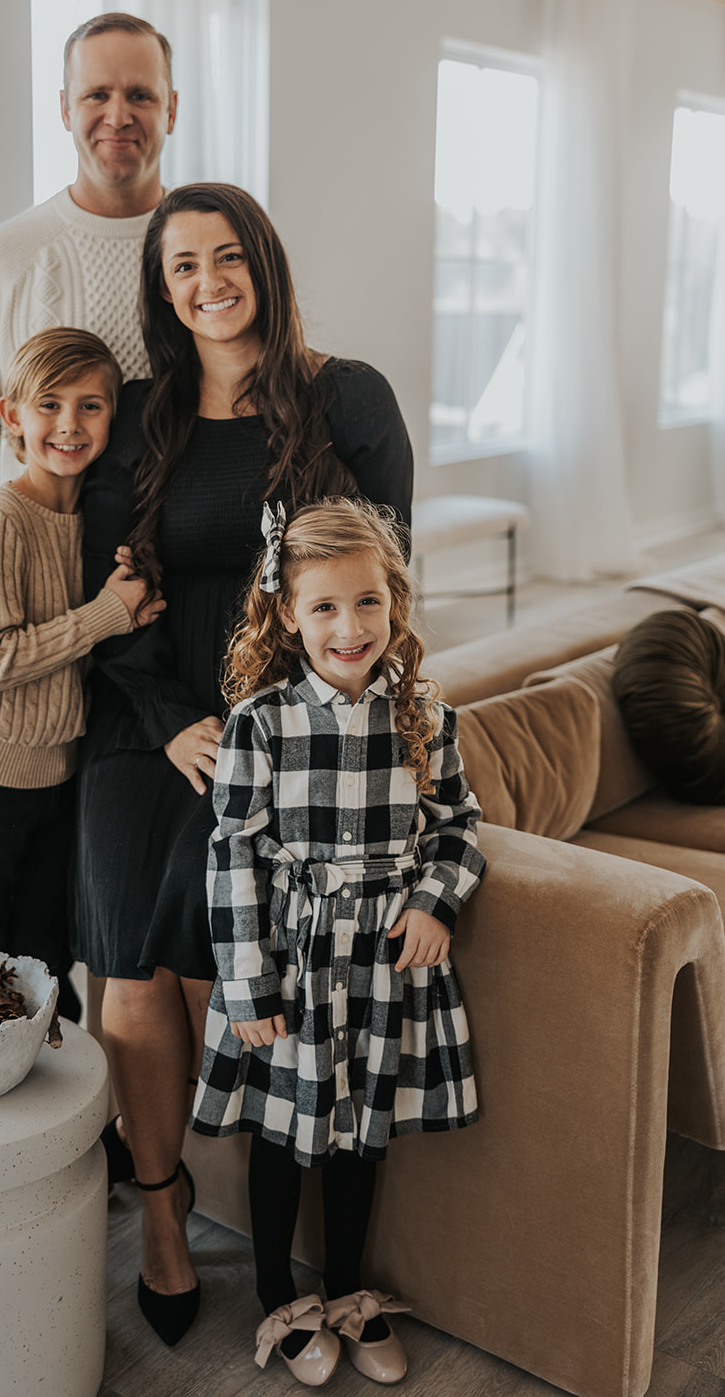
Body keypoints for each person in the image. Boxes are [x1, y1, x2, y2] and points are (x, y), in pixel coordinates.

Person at [73, 183, 415, 1345]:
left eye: (226, 257)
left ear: (261, 264)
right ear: (160, 289)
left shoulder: (345, 398)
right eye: (181, 267)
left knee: (236, 958)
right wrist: (169, 720)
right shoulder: (139, 412)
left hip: (295, 739)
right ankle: (164, 1219)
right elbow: (107, 590)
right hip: (151, 720)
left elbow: (384, 580)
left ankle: (280, 1237)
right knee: (126, 969)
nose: (206, 282)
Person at [191, 497, 484, 1387]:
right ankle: (282, 1299)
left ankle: (350, 1292)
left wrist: (435, 901)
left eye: (366, 602)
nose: (348, 627)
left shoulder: (426, 717)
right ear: (288, 615)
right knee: (285, 1135)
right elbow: (231, 849)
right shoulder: (261, 724)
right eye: (323, 607)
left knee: (364, 1136)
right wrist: (247, 983)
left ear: (393, 600)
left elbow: (460, 826)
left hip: (385, 970)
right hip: (294, 962)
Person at [0, 12, 178, 640]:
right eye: (96, 95)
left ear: (170, 109)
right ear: (64, 108)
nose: (118, 115)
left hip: (175, 593)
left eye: (140, 94)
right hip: (32, 593)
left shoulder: (210, 257)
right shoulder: (3, 257)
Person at [0, 327, 163, 1020]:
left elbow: (86, 638)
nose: (68, 424)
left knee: (45, 966)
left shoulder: (89, 523)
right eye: (49, 405)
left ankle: (46, 1121)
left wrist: (131, 602)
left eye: (90, 406)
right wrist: (105, 614)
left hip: (56, 777)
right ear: (11, 417)